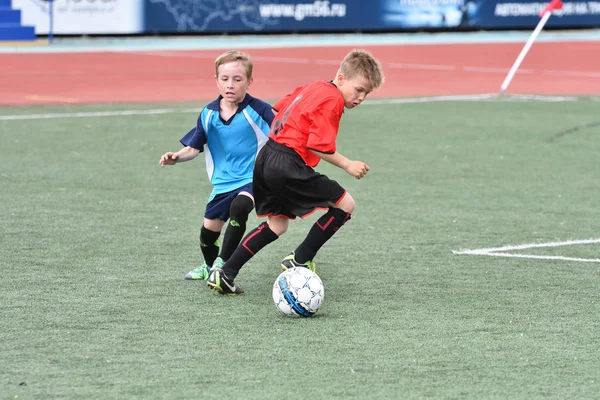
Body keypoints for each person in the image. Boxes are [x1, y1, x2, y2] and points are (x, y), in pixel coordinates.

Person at [207, 49, 385, 295]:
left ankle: (226, 273)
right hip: (287, 163)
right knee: (346, 204)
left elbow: (278, 109)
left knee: (276, 225)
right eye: (359, 89)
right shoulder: (332, 99)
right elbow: (316, 145)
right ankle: (300, 259)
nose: (362, 97)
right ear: (341, 78)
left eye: (367, 93)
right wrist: (347, 164)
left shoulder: (313, 86)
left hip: (267, 157)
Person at [159, 50, 275, 280]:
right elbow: (193, 148)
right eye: (224, 79)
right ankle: (209, 266)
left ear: (249, 82)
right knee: (207, 234)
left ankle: (223, 264)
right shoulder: (209, 113)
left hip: (253, 178)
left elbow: (284, 133)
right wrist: (176, 157)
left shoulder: (260, 110)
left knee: (240, 207)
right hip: (222, 183)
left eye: (237, 79)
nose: (230, 85)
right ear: (216, 80)